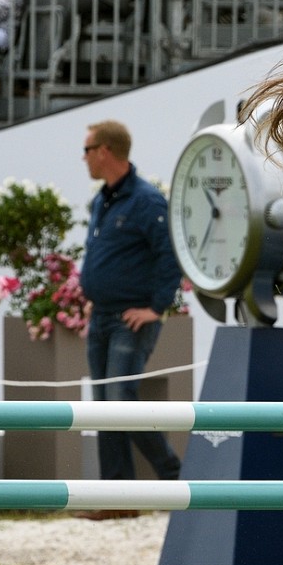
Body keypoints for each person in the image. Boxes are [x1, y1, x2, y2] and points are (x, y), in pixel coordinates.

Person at [76, 120, 184, 516]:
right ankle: (117, 499)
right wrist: (96, 297)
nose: (84, 158)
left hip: (131, 318)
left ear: (104, 151)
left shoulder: (146, 201)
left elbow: (170, 253)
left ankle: (175, 477)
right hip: (104, 315)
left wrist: (156, 307)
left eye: (87, 150)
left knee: (120, 400)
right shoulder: (103, 200)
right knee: (105, 406)